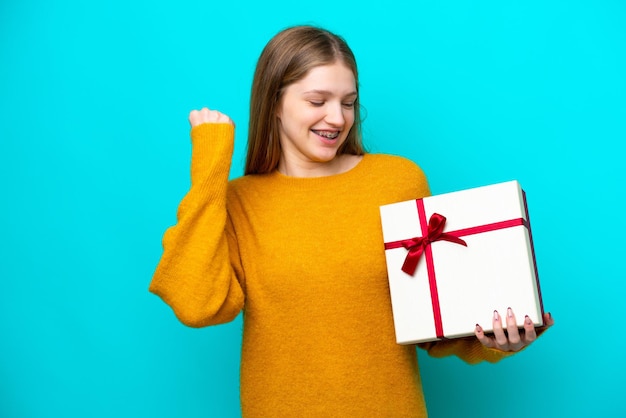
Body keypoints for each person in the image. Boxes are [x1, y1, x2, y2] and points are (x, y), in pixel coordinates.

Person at [149, 25, 554, 417]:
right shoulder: (241, 201)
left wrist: (498, 340)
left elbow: (432, 318)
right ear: (274, 101)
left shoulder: (397, 181)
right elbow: (198, 306)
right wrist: (209, 167)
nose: (337, 118)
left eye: (348, 102)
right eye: (317, 101)